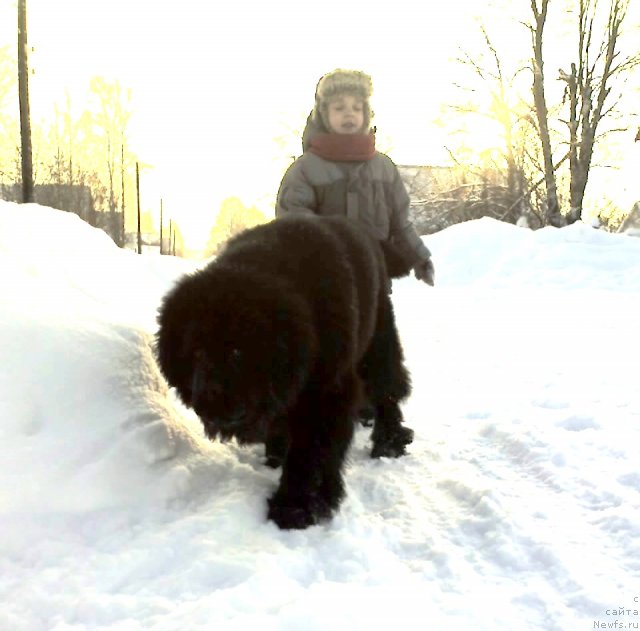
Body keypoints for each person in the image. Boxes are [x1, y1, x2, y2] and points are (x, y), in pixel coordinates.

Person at [275, 68, 435, 287]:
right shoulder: (305, 169)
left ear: (366, 114)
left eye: (356, 108)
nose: (349, 113)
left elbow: (400, 223)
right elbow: (293, 220)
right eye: (339, 107)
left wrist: (419, 256)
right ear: (323, 114)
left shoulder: (383, 168)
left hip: (375, 282)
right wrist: (332, 246)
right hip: (323, 283)